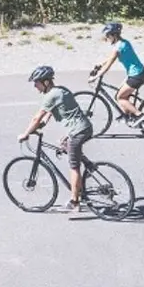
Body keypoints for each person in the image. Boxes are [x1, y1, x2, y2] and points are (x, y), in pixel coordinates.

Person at [20, 64, 94, 212]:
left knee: (73, 167)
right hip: (84, 127)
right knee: (65, 144)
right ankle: (89, 165)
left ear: (46, 82)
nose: (35, 86)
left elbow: (37, 118)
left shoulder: (50, 96)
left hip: (77, 131)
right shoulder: (60, 91)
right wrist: (39, 127)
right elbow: (47, 116)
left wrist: (26, 133)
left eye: (37, 83)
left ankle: (75, 201)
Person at [92, 22, 144, 123]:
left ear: (114, 35)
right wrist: (100, 64)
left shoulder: (119, 48)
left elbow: (108, 66)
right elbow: (110, 58)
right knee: (121, 93)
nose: (107, 38)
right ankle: (127, 115)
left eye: (108, 35)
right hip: (138, 73)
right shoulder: (123, 42)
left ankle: (139, 115)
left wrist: (96, 77)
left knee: (120, 97)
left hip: (137, 76)